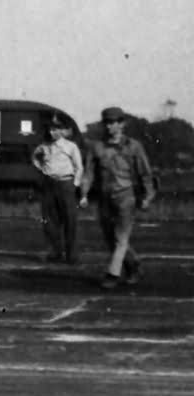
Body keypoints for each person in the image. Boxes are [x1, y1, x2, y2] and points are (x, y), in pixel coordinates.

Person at [80, 106, 157, 289]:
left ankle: (112, 274)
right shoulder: (96, 147)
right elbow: (88, 173)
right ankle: (133, 265)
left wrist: (147, 197)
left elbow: (145, 174)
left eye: (114, 123)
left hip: (126, 197)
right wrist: (83, 193)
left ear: (122, 124)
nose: (109, 127)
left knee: (121, 238)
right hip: (105, 198)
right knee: (110, 238)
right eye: (106, 123)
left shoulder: (134, 146)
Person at [30, 113, 85, 263]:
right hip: (49, 184)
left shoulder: (71, 147)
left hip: (66, 184)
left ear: (62, 131)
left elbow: (79, 167)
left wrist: (75, 184)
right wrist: (42, 168)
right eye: (50, 129)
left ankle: (72, 255)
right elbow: (35, 157)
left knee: (70, 220)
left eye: (56, 129)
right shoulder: (44, 146)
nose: (52, 132)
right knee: (50, 220)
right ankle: (56, 252)